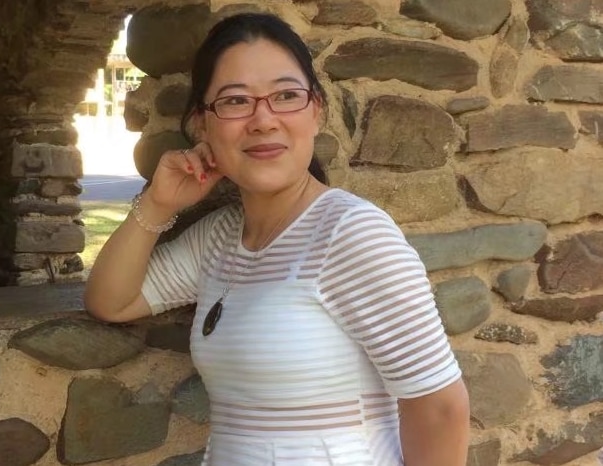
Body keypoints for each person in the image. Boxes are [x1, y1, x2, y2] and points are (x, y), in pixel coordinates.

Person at [85, 12, 470, 466]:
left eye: (286, 96)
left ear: (317, 110)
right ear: (202, 125)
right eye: (234, 102)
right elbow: (111, 300)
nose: (263, 120)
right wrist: (158, 205)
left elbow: (440, 408)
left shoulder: (350, 234)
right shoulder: (222, 238)